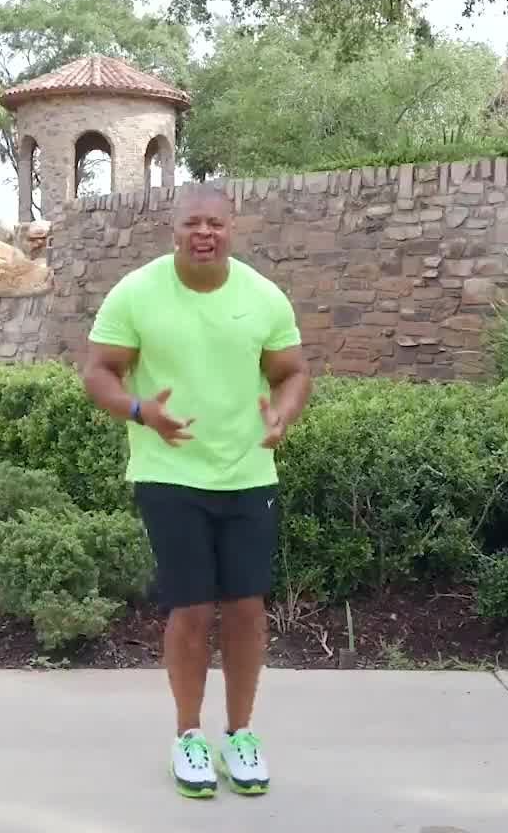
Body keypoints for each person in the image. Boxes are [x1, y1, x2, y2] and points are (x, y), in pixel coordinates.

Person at [81, 181, 311, 799]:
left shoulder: (263, 297)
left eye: (214, 223)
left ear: (230, 229)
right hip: (169, 473)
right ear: (175, 230)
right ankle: (188, 737)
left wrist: (283, 413)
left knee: (246, 608)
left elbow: (291, 372)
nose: (203, 233)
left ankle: (240, 735)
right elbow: (98, 370)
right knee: (190, 608)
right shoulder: (137, 292)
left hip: (248, 474)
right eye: (192, 224)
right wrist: (139, 410)